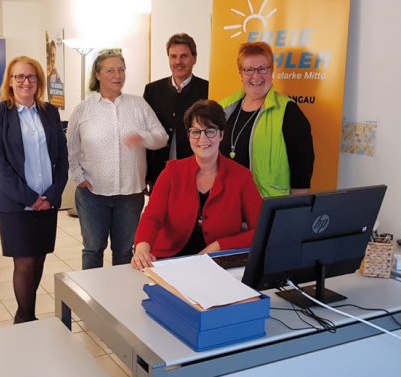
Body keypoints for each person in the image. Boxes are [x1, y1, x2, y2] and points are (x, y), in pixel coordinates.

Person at [67, 48, 168, 269]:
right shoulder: (83, 109)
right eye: (110, 70)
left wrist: (142, 137)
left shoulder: (138, 104)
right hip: (93, 193)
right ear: (98, 74)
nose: (117, 75)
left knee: (124, 251)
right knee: (93, 249)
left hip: (130, 194)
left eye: (121, 69)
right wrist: (77, 176)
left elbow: (162, 137)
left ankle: (118, 299)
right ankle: (91, 299)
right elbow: (71, 147)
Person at [131, 100, 262, 269]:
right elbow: (152, 216)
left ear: (221, 134)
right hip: (170, 260)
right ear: (189, 135)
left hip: (218, 263)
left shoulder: (242, 176)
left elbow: (260, 231)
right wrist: (142, 246)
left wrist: (219, 246)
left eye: (210, 131)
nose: (202, 139)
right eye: (196, 132)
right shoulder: (172, 172)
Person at [0, 56, 68, 324]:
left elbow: (62, 158)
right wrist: (31, 199)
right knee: (24, 263)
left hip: (47, 201)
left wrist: (52, 195)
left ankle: (26, 316)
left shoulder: (50, 112)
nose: (25, 82)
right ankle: (25, 318)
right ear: (10, 82)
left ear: (39, 82)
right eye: (19, 77)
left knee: (40, 259)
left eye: (31, 77)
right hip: (16, 204)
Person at [218, 42, 314, 197]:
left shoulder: (288, 111)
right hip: (228, 203)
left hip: (267, 206)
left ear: (272, 71)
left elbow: (302, 168)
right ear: (240, 74)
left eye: (262, 69)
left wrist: (294, 209)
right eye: (248, 70)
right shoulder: (223, 109)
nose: (256, 76)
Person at [143, 33, 208, 191]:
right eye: (173, 56)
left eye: (184, 56)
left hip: (196, 172)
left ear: (194, 58)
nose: (178, 61)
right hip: (158, 172)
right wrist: (144, 174)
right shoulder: (152, 90)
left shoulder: (208, 90)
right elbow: (145, 131)